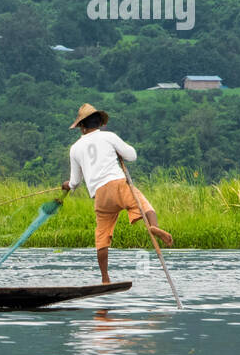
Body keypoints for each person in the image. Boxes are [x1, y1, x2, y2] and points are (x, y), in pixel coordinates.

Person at [60, 103, 173, 283]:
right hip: (118, 184)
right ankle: (153, 226)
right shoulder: (109, 137)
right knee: (146, 207)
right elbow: (132, 156)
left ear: (81, 126)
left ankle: (105, 278)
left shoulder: (75, 148)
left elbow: (74, 182)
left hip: (100, 195)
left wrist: (66, 185)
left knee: (102, 236)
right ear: (100, 123)